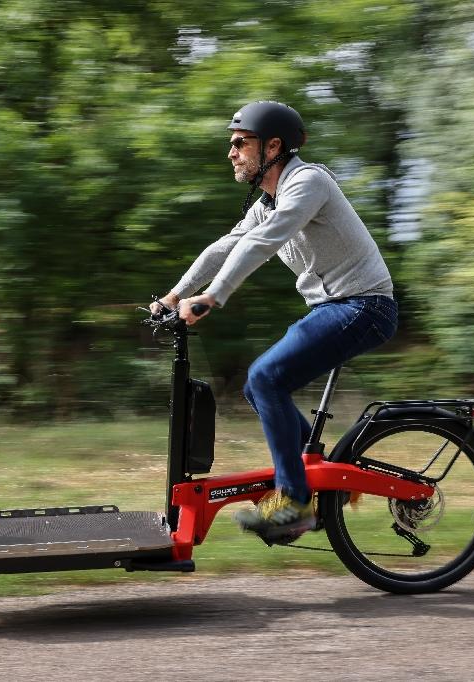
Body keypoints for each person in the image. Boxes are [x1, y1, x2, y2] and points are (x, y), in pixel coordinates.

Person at [150, 100, 398, 544]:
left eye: (240, 143)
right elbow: (226, 246)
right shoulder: (268, 200)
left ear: (274, 146)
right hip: (334, 308)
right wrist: (173, 294)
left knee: (265, 378)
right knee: (257, 385)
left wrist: (213, 296)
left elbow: (264, 243)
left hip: (364, 306)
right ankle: (319, 477)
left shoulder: (308, 182)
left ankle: (296, 504)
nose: (231, 152)